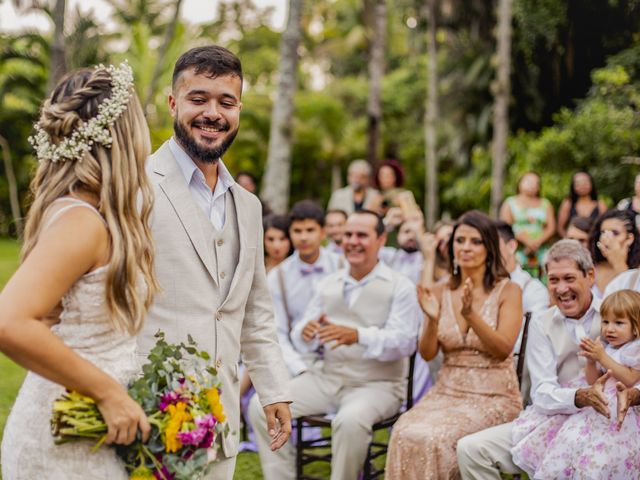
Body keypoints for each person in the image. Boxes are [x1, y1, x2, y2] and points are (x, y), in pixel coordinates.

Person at [138, 46, 291, 479]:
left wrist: (273, 389)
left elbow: (254, 311)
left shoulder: (248, 205)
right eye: (198, 99)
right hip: (149, 411)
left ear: (239, 108)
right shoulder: (136, 186)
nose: (213, 113)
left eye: (226, 102)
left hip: (220, 416)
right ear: (173, 103)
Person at [1, 63, 158, 478]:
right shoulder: (81, 222)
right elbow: (9, 322)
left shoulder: (86, 214)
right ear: (123, 137)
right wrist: (108, 393)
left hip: (88, 428)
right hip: (67, 442)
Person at [249, 210, 421, 480]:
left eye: (361, 235)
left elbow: (405, 342)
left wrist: (359, 336)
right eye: (348, 235)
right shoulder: (328, 283)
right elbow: (300, 336)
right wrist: (304, 333)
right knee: (262, 405)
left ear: (381, 239)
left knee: (349, 421)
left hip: (378, 385)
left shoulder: (400, 286)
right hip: (327, 377)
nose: (352, 241)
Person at [456, 240, 628, 479]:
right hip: (550, 422)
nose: (560, 288)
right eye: (553, 280)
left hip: (608, 424)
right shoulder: (540, 322)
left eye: (569, 278)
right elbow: (542, 392)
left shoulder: (619, 317)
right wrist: (579, 397)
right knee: (471, 449)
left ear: (590, 276)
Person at [385, 210, 523, 480]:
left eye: (475, 241)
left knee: (437, 438)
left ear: (489, 248)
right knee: (404, 430)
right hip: (447, 391)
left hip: (494, 396)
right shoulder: (439, 290)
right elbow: (427, 353)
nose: (466, 248)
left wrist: (471, 315)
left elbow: (503, 348)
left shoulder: (508, 290)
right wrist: (432, 319)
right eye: (460, 241)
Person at [510, 289, 640, 478]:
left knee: (603, 457)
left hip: (621, 410)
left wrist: (602, 358)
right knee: (570, 442)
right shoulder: (607, 347)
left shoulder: (634, 349)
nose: (609, 329)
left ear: (636, 327)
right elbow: (592, 381)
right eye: (605, 322)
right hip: (597, 407)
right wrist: (591, 361)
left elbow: (630, 378)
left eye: (619, 323)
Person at [268, 200, 343, 377]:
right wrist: (299, 368)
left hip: (340, 357)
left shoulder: (342, 266)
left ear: (323, 232)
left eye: (310, 230)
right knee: (259, 405)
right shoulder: (277, 277)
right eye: (297, 231)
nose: (303, 237)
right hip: (296, 358)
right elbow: (277, 333)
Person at [500, 171, 556, 270]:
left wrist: (536, 243)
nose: (532, 185)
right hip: (518, 248)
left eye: (536, 183)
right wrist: (526, 242)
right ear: (519, 183)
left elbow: (551, 228)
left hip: (541, 249)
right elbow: (505, 228)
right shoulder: (510, 203)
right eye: (528, 181)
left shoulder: (545, 203)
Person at [589, 209, 640, 298]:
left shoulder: (637, 272)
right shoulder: (592, 268)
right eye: (603, 232)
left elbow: (632, 304)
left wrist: (618, 262)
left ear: (629, 239)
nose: (607, 238)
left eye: (615, 233)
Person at [557, 170, 607, 237]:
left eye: (585, 182)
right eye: (578, 183)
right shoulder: (568, 204)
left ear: (591, 184)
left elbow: (606, 227)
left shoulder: (600, 205)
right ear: (573, 186)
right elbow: (560, 227)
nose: (582, 185)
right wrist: (569, 241)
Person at [379, 218, 425, 284]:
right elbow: (371, 245)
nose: (411, 236)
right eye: (406, 231)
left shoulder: (427, 260)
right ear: (398, 236)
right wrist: (387, 223)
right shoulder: (389, 255)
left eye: (416, 233)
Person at [419, 219, 454, 287]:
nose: (447, 242)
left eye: (449, 235)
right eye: (441, 242)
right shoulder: (430, 267)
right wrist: (429, 259)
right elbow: (426, 293)